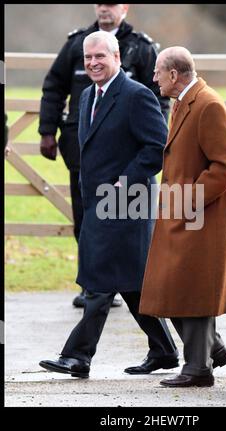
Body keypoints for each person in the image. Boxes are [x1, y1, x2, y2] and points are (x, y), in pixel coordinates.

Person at [39, 31, 178, 378]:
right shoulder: (87, 95)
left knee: (100, 282)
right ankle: (166, 351)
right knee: (130, 283)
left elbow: (156, 147)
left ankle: (77, 356)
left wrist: (125, 182)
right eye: (88, 58)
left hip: (127, 204)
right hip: (97, 205)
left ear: (116, 56)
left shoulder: (135, 96)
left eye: (100, 56)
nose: (93, 63)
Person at [38, 4, 170, 308]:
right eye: (100, 3)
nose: (104, 9)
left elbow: (158, 99)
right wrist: (47, 130)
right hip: (83, 154)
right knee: (86, 219)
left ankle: (109, 290)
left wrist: (144, 153)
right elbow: (54, 86)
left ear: (124, 8)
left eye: (111, 4)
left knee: (128, 232)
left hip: (127, 162)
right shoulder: (76, 44)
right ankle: (98, 287)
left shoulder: (141, 47)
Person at [139, 46, 226, 388]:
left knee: (191, 291)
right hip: (179, 215)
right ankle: (212, 349)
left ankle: (198, 368)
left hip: (199, 217)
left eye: (157, 72)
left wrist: (189, 199)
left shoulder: (208, 104)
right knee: (167, 288)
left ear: (173, 74)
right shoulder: (183, 101)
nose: (153, 78)